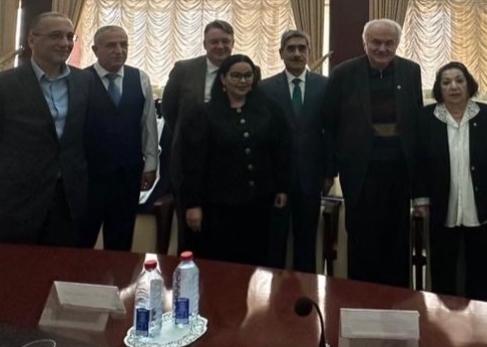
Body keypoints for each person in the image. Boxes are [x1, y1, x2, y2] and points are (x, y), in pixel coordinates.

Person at [0, 12, 90, 246]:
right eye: (55, 36)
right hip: (11, 205)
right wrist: (7, 178)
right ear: (32, 40)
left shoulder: (85, 82)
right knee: (7, 268)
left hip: (67, 206)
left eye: (69, 36)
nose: (64, 43)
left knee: (61, 267)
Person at [322, 19, 422, 288]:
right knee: (362, 240)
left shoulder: (411, 71)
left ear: (397, 44)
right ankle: (361, 296)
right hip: (360, 172)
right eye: (376, 42)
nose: (382, 48)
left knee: (397, 241)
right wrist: (330, 170)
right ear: (364, 43)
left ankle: (397, 299)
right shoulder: (344, 73)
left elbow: (416, 121)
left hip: (399, 172)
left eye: (389, 43)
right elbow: (330, 124)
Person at [413, 62, 487, 301]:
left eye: (459, 81)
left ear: (469, 84)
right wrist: (420, 197)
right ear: (439, 88)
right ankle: (442, 317)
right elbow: (418, 161)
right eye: (446, 82)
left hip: (481, 203)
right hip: (441, 203)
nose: (453, 87)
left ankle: (481, 317)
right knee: (443, 268)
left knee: (482, 268)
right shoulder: (425, 118)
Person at [181, 55, 289, 266]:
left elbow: (281, 152)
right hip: (219, 208)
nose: (243, 81)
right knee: (222, 265)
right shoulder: (204, 114)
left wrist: (282, 188)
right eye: (236, 76)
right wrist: (192, 204)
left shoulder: (269, 111)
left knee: (257, 263)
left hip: (259, 204)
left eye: (248, 75)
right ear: (223, 79)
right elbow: (193, 163)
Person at [261, 30, 333, 272]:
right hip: (275, 179)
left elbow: (331, 131)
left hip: (311, 177)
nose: (296, 53)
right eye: (290, 48)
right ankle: (273, 293)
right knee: (274, 242)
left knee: (306, 242)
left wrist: (329, 173)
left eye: (302, 48)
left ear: (309, 52)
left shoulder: (325, 86)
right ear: (281, 53)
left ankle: (306, 291)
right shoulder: (265, 88)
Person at [160, 19, 235, 251]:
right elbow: (169, 109)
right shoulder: (184, 70)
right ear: (204, 44)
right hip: (189, 166)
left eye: (225, 41)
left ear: (233, 43)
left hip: (230, 168)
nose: (220, 46)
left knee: (226, 236)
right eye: (214, 41)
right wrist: (192, 136)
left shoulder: (243, 69)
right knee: (191, 236)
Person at [82, 26, 159, 250]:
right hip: (90, 176)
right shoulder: (81, 80)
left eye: (123, 45)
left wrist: (151, 165)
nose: (119, 50)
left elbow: (148, 125)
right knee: (83, 237)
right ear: (95, 50)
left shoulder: (140, 78)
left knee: (121, 239)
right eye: (111, 45)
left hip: (127, 174)